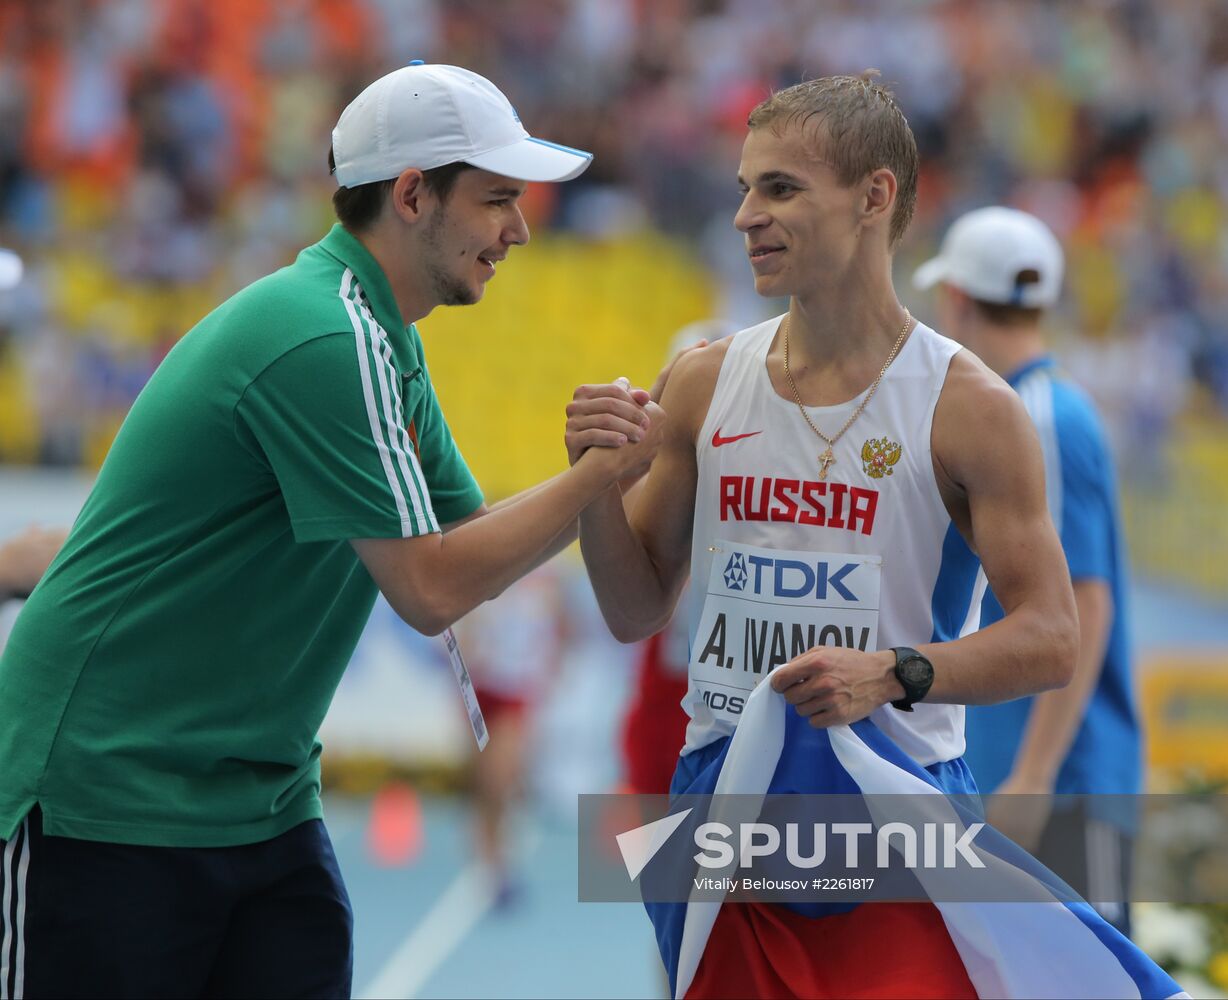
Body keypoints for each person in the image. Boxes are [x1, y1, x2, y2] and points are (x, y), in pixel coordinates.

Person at [0, 62, 661, 999]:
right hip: (109, 796)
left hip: (255, 796)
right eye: (498, 201)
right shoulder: (323, 336)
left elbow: (477, 538)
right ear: (411, 195)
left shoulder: (382, 334)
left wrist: (603, 478)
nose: (519, 230)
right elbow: (433, 588)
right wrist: (598, 472)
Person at [571, 74, 1179, 999]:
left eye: (779, 188)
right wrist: (592, 489)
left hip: (893, 814)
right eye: (743, 187)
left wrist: (893, 671)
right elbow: (634, 609)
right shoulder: (700, 382)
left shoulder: (971, 408)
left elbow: (1054, 636)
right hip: (728, 806)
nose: (744, 215)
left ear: (874, 197)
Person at [913, 205, 1141, 936]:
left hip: (1052, 777)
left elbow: (1086, 601)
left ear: (955, 298)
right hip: (1042, 771)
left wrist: (1035, 774)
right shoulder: (1037, 408)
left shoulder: (1035, 413)